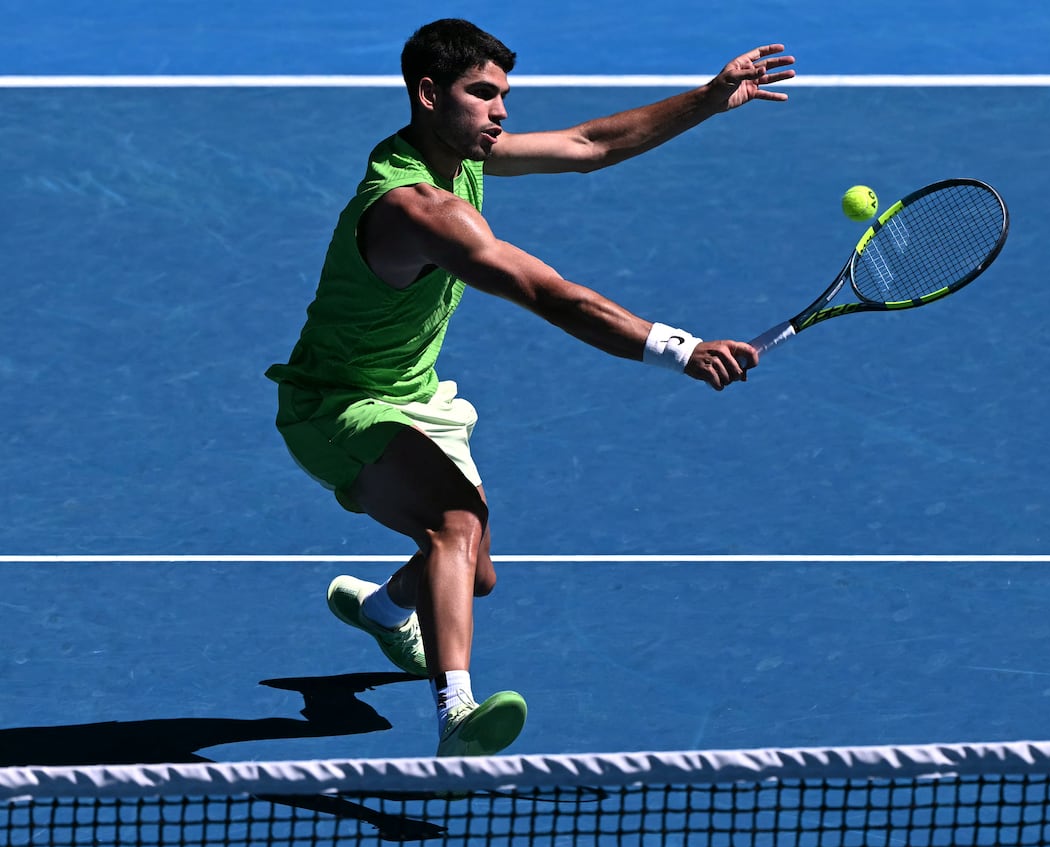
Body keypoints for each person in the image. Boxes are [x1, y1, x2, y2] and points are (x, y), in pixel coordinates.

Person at [265, 18, 795, 758]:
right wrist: (682, 348)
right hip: (336, 405)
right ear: (427, 94)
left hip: (415, 392)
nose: (501, 110)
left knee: (471, 573)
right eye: (482, 94)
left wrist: (708, 99)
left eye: (504, 94)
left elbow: (589, 146)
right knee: (454, 522)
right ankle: (457, 714)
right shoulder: (419, 211)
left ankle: (386, 610)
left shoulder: (460, 156)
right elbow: (550, 295)